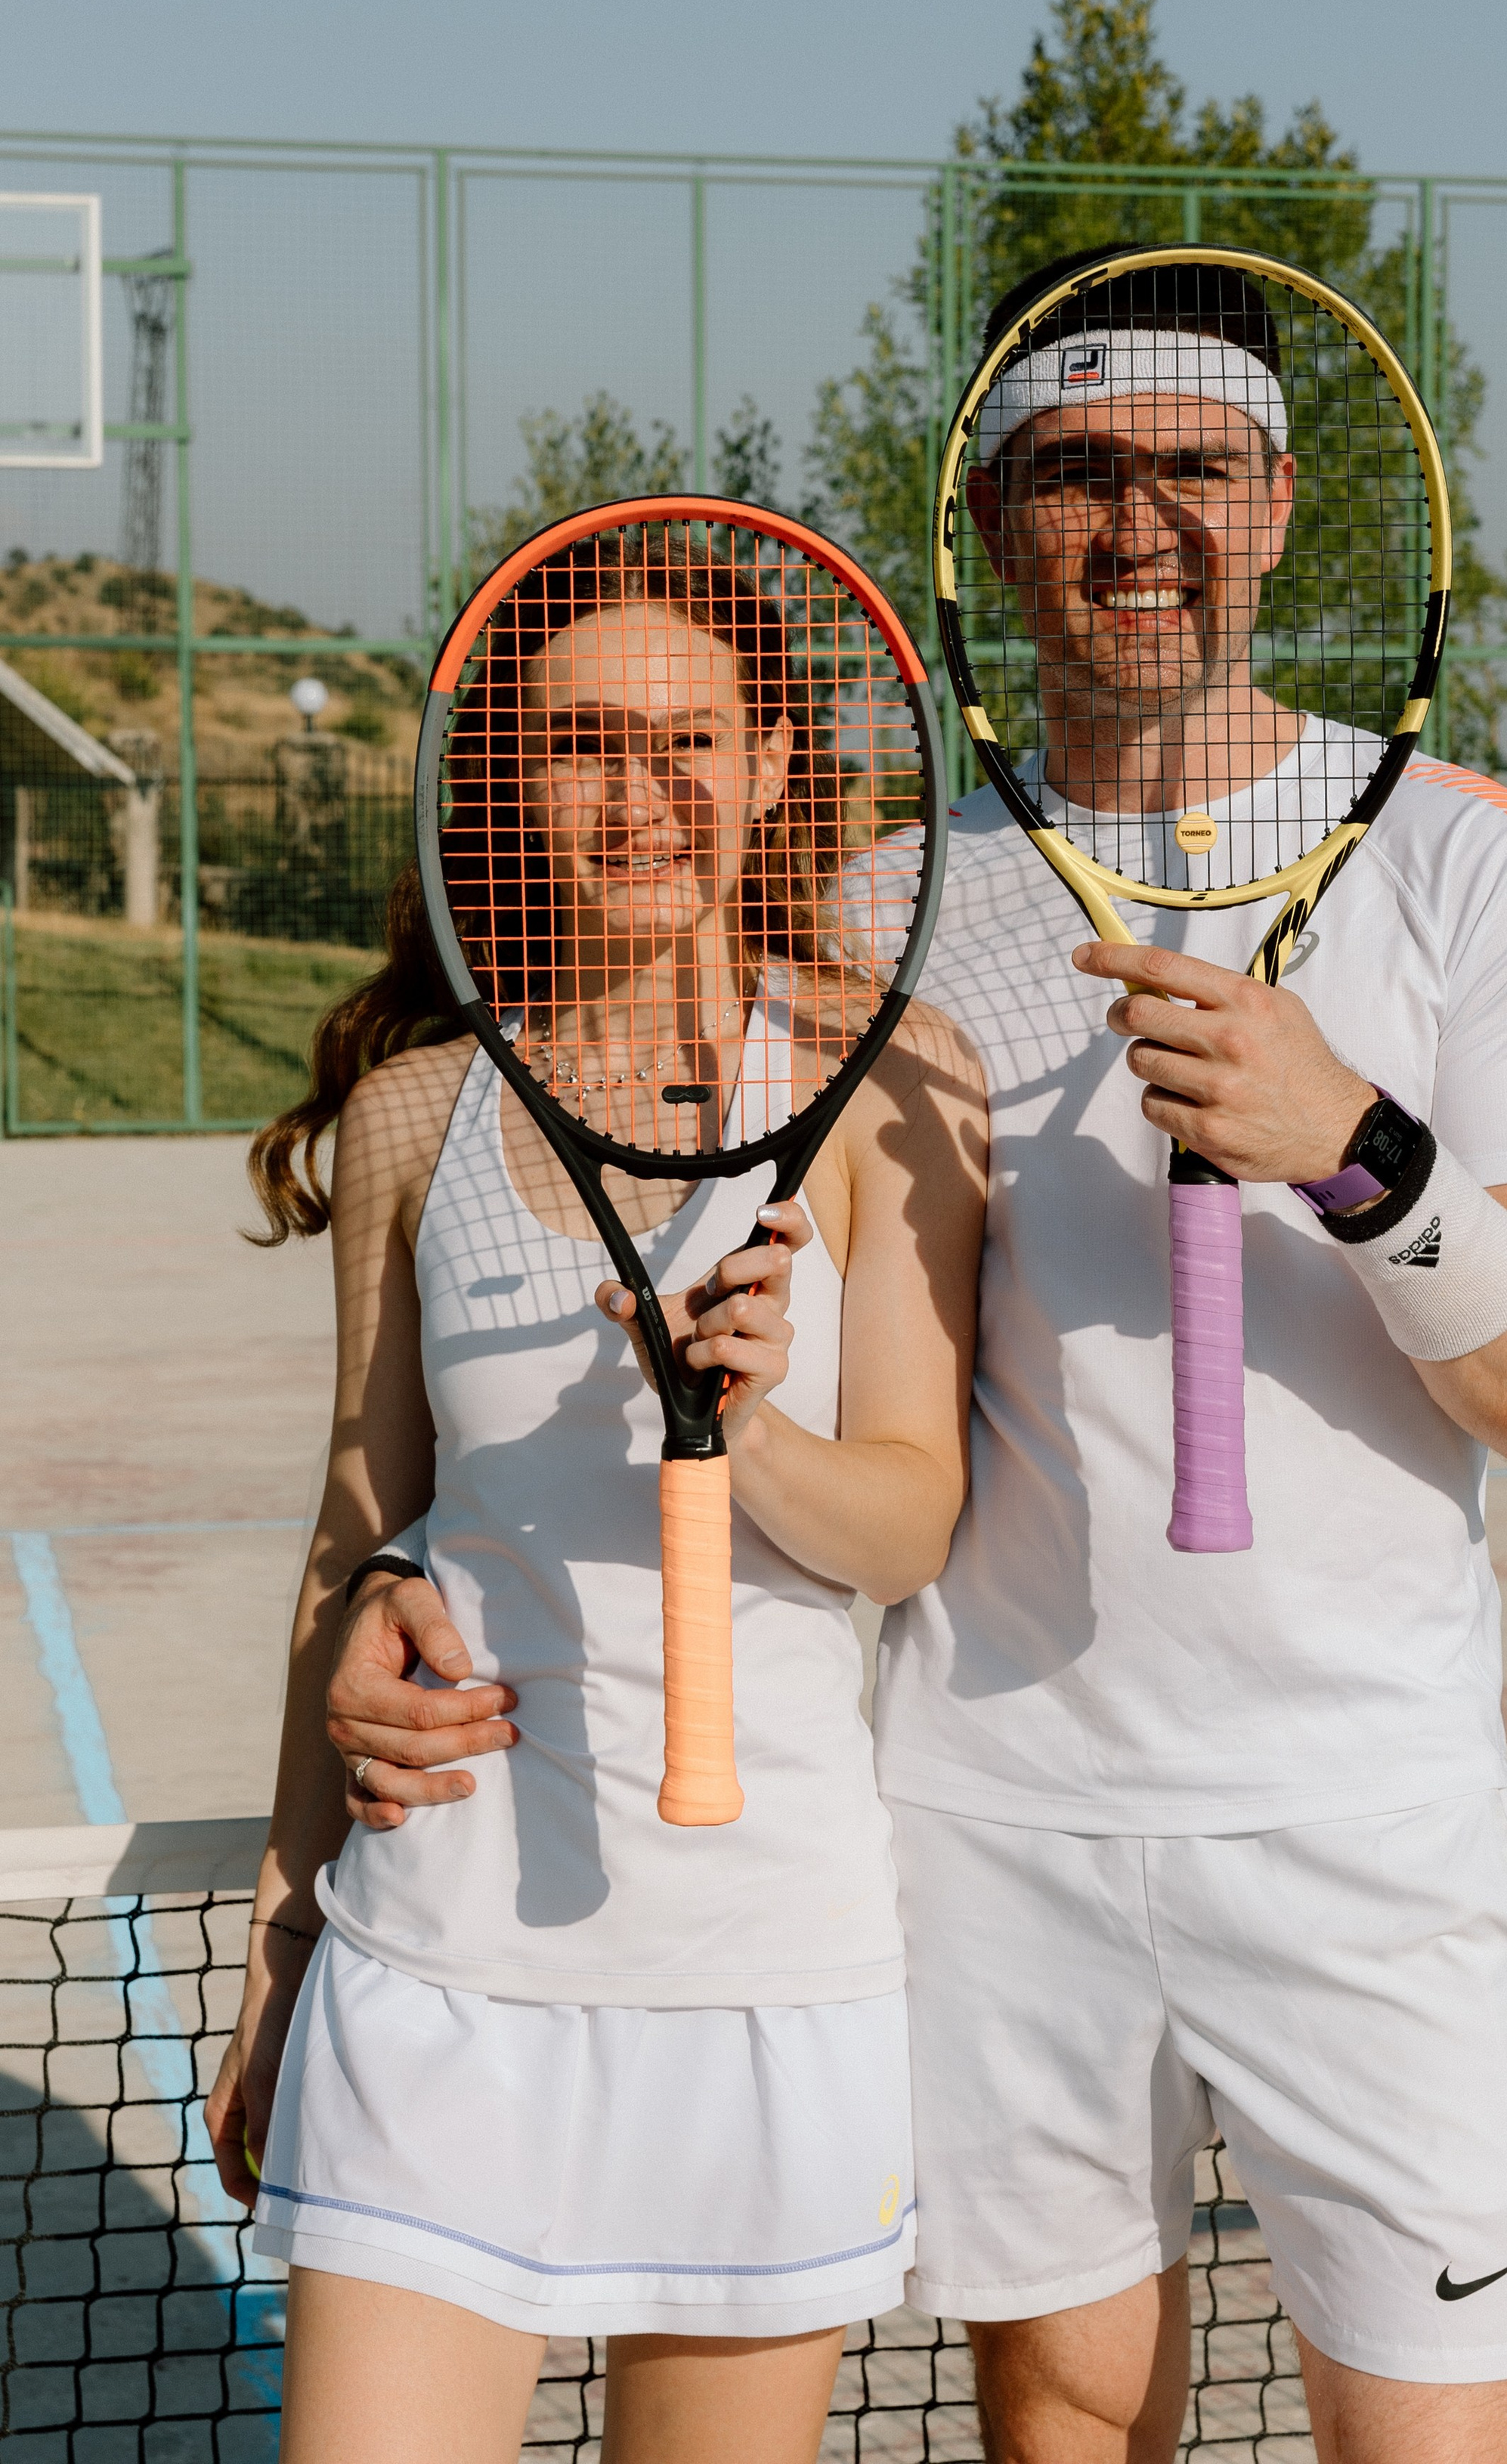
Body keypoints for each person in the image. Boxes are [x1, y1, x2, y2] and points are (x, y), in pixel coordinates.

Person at [323, 255, 1507, 2464]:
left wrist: (1360, 1154)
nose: (1144, 527)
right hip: (990, 1837)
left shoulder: (1473, 863)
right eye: (1078, 472)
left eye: (1199, 468)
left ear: (1289, 502)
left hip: (1368, 1830)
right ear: (997, 515)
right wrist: (393, 1588)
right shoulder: (887, 914)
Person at [206, 546, 986, 2464]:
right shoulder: (417, 1118)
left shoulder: (896, 1084)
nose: (642, 796)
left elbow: (908, 1523)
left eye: (690, 740)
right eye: (580, 746)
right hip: (439, 1960)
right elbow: (354, 1522)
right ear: (505, 783)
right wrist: (283, 1940)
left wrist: (754, 1431)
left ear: (779, 763)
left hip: (763, 1975)